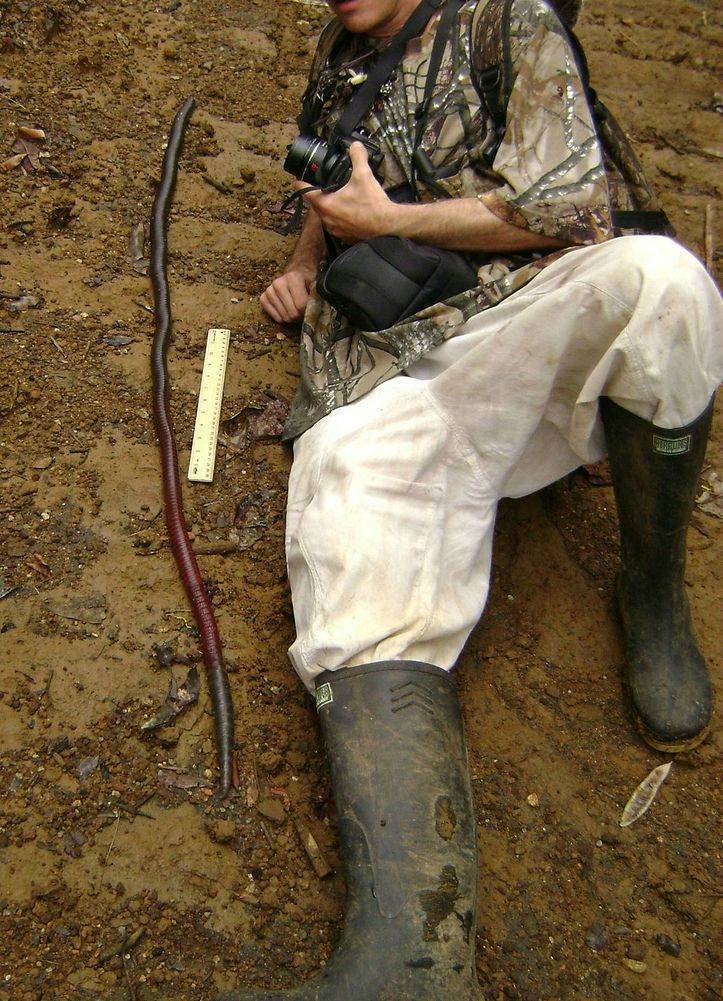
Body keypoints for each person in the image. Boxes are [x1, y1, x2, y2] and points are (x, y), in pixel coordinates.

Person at [224, 1, 722, 998]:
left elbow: (574, 206)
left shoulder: (506, 20)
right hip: (382, 368)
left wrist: (392, 222)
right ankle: (414, 954)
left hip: (522, 325)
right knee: (346, 532)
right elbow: (334, 197)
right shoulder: (344, 55)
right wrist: (302, 263)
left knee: (666, 286)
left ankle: (651, 587)